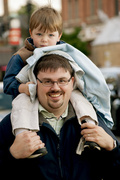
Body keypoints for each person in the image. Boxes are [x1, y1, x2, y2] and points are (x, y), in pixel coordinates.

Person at [0, 53, 120, 179]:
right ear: (35, 83)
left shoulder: (92, 121)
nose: (55, 88)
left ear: (72, 82)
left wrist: (113, 148)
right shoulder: (12, 124)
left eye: (62, 81)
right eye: (47, 81)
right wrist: (12, 155)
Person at [3, 6, 103, 156]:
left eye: (50, 34)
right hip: (29, 94)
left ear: (59, 36)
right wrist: (23, 87)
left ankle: (90, 132)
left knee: (81, 100)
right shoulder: (21, 56)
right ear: (31, 33)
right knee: (21, 105)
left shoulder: (66, 52)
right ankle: (25, 138)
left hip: (62, 101)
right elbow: (8, 83)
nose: (44, 39)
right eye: (39, 34)